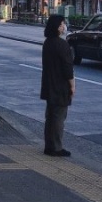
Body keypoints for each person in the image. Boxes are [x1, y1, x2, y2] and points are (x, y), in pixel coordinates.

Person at [40, 14, 75, 157]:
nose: (63, 27)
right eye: (61, 24)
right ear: (56, 27)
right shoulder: (62, 44)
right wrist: (72, 85)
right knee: (59, 117)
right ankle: (57, 147)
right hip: (60, 85)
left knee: (50, 117)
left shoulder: (47, 43)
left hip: (49, 83)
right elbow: (68, 68)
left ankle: (49, 145)